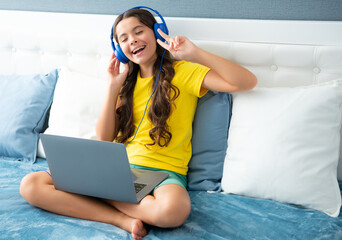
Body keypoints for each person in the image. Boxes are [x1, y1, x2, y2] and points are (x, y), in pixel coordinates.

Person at [20, 7, 257, 240]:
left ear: (157, 32)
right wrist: (113, 87)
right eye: (123, 38)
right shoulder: (125, 84)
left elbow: (246, 81)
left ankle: (94, 195)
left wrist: (194, 53)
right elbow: (104, 139)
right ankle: (121, 219)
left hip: (165, 173)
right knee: (31, 184)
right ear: (119, 49)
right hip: (119, 170)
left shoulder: (184, 72)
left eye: (138, 32)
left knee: (173, 211)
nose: (132, 41)